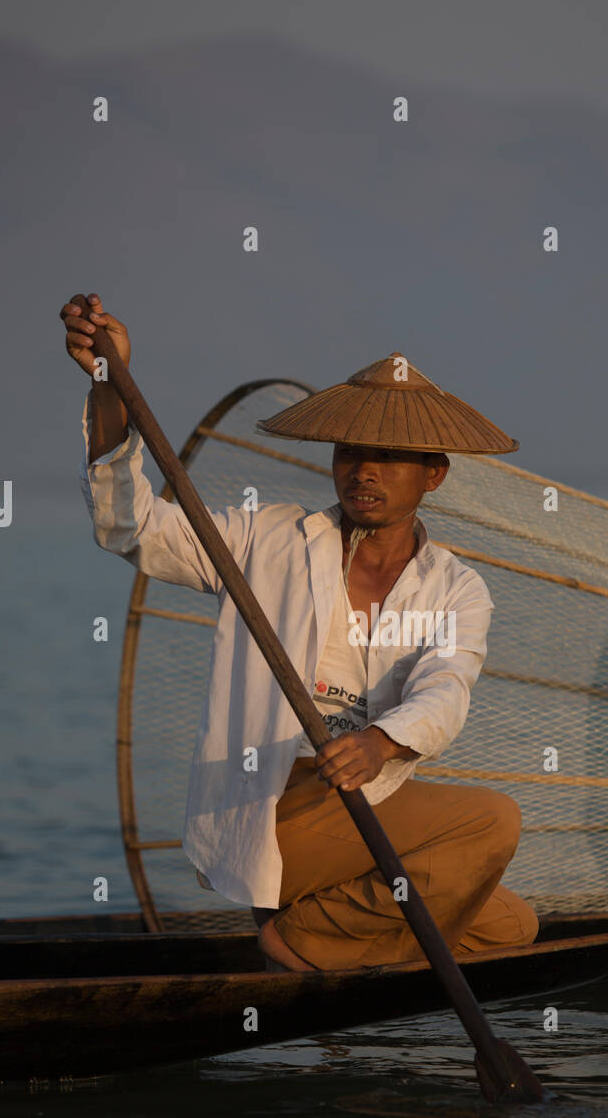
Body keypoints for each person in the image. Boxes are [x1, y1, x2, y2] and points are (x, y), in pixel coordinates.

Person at [61, 293, 540, 971]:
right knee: (493, 820)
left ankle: (323, 930)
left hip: (369, 803)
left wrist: (379, 743)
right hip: (275, 808)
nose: (363, 470)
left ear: (434, 475)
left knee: (511, 925)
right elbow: (130, 527)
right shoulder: (268, 540)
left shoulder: (455, 587)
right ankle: (303, 940)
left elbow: (446, 689)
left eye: (388, 456)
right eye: (350, 452)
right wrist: (108, 381)